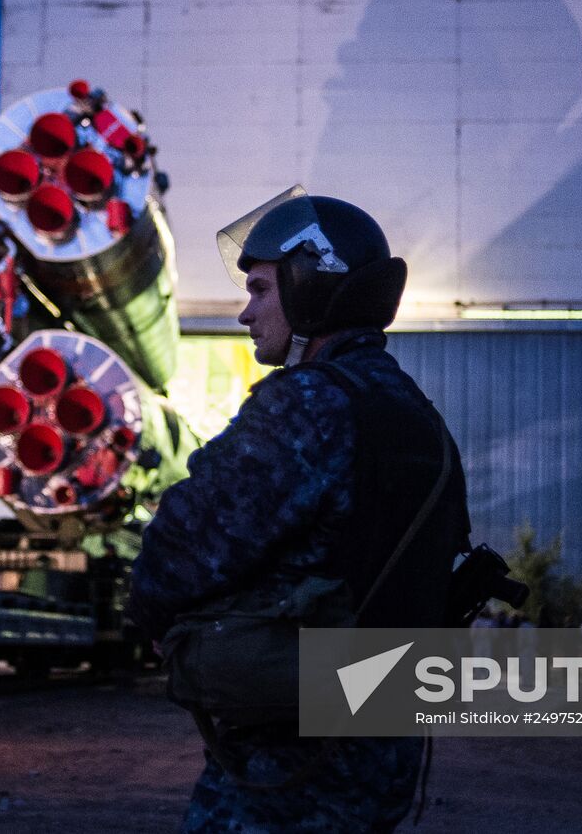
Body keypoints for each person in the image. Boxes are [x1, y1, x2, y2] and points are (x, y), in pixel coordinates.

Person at [128, 188, 471, 833]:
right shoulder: (418, 418)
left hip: (291, 767)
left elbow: (182, 546)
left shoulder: (308, 404)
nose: (244, 313)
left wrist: (152, 617)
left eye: (260, 290)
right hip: (384, 753)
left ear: (312, 285)